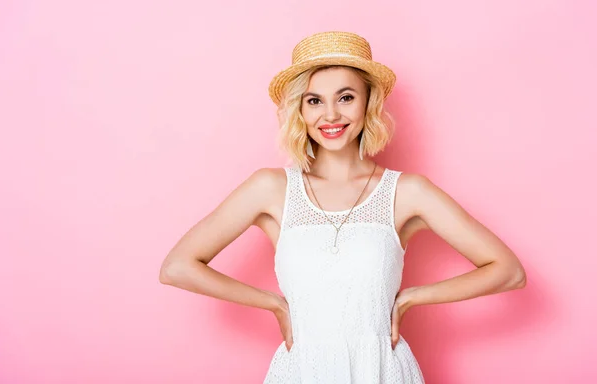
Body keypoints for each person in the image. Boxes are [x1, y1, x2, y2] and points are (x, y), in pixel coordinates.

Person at [159, 31, 527, 383]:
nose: (330, 115)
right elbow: (178, 267)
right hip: (302, 370)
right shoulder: (270, 189)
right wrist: (273, 303)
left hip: (382, 370)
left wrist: (413, 298)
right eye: (314, 100)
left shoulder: (406, 192)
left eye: (346, 97)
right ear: (299, 109)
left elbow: (508, 271)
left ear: (368, 102)